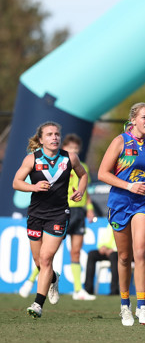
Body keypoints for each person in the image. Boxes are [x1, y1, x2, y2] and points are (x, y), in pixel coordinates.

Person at [98, 102, 145, 326]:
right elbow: (102, 173)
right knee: (124, 256)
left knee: (140, 252)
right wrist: (128, 186)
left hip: (143, 203)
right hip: (120, 202)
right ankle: (125, 306)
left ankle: (142, 306)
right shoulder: (120, 141)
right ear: (134, 120)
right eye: (144, 117)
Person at [13, 121, 88, 318]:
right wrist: (34, 187)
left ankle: (38, 304)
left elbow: (83, 175)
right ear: (41, 140)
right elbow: (16, 182)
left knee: (46, 258)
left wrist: (80, 191)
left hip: (59, 214)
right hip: (36, 214)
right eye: (49, 134)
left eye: (56, 134)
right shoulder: (32, 159)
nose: (54, 137)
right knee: (39, 262)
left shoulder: (70, 157)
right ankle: (54, 279)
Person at [61, 134, 97, 301]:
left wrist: (89, 209)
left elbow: (86, 191)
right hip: (63, 210)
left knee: (76, 251)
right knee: (50, 251)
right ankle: (31, 282)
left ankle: (78, 290)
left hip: (79, 212)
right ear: (64, 149)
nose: (73, 151)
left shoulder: (83, 167)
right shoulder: (60, 166)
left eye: (76, 148)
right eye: (70, 148)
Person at [84, 223, 120, 296]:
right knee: (92, 254)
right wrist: (102, 246)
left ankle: (114, 290)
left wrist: (114, 249)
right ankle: (88, 290)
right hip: (108, 251)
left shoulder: (128, 221)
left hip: (120, 252)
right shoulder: (112, 222)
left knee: (114, 256)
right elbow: (106, 238)